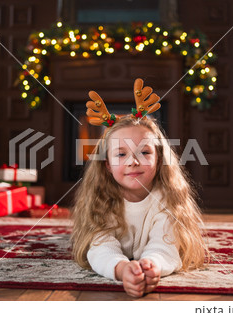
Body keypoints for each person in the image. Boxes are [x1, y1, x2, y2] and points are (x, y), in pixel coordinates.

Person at [71, 79, 208, 297]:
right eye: (121, 154)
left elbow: (166, 247)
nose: (133, 161)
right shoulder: (102, 198)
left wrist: (151, 266)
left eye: (144, 152)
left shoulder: (167, 199)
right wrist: (122, 269)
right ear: (107, 165)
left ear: (159, 158)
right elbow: (100, 248)